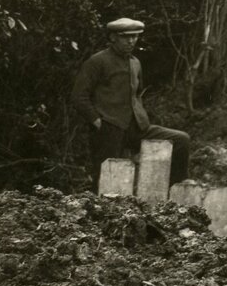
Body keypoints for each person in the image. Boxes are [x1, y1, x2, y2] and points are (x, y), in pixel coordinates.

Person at [72, 17, 191, 185]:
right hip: (109, 130)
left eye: (135, 36)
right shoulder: (97, 61)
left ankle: (178, 187)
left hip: (137, 128)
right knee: (106, 178)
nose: (131, 41)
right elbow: (79, 97)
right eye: (126, 36)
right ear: (113, 37)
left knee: (181, 140)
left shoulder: (135, 63)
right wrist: (97, 121)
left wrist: (141, 118)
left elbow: (137, 94)